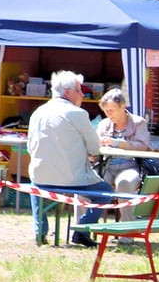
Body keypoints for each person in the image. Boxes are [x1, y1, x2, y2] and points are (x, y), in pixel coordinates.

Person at [27, 71, 114, 247]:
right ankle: (81, 230)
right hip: (73, 179)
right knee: (105, 192)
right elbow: (95, 149)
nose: (82, 94)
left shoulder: (38, 112)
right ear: (68, 92)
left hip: (41, 176)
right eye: (79, 90)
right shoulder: (78, 114)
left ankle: (40, 232)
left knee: (36, 189)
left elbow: (30, 147)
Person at [96, 88, 151, 240]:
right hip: (106, 165)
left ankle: (127, 234)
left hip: (130, 165)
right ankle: (81, 231)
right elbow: (94, 149)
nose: (109, 114)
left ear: (123, 107)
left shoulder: (138, 122)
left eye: (112, 110)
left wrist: (117, 143)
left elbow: (142, 146)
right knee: (86, 184)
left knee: (124, 184)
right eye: (106, 111)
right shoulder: (103, 124)